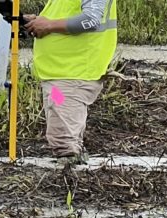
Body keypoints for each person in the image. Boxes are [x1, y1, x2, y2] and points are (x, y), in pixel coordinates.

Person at [24, 0, 117, 159]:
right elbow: (66, 14)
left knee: (64, 142)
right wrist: (39, 21)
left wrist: (49, 25)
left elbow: (91, 20)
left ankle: (73, 176)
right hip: (58, 76)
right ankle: (74, 169)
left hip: (73, 74)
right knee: (62, 133)